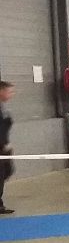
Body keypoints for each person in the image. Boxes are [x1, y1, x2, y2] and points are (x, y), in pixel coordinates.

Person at [0, 81, 15, 214]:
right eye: (9, 91)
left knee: (7, 171)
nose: (11, 94)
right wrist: (3, 144)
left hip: (4, 147)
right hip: (1, 147)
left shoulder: (3, 108)